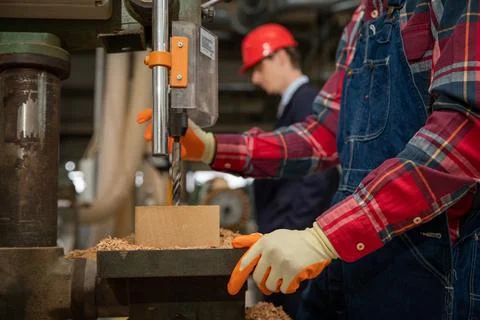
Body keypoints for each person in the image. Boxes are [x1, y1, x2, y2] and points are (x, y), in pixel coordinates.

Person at [138, 0, 480, 318]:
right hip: (352, 255)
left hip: (430, 265)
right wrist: (213, 147)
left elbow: (465, 129)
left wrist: (323, 238)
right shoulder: (362, 19)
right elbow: (323, 135)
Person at [239, 23, 339, 317]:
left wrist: (292, 235)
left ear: (281, 57)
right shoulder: (292, 105)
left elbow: (318, 178)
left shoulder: (308, 102)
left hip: (296, 246)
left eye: (258, 68)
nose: (256, 79)